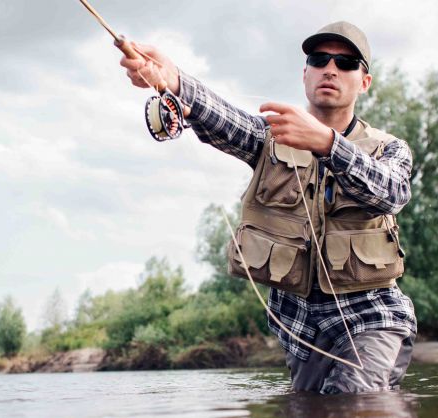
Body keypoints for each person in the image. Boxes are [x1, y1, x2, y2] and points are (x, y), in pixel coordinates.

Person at [120, 21, 417, 394]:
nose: (330, 69)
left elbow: (392, 192)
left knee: (353, 399)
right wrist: (172, 79)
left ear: (364, 82)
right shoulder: (268, 137)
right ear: (305, 73)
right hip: (301, 330)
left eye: (345, 63)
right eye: (319, 59)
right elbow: (222, 118)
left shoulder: (391, 149)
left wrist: (327, 144)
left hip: (374, 317)